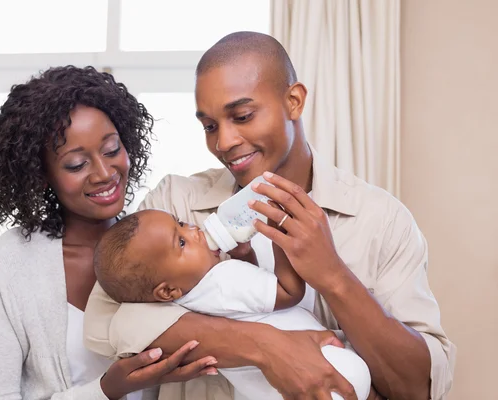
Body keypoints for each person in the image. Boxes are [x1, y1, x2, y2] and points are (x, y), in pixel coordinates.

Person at [84, 32, 456, 400]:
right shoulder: (175, 204)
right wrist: (266, 347)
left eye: (242, 116)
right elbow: (107, 327)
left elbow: (417, 387)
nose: (223, 142)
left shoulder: (380, 221)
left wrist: (334, 277)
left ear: (293, 101)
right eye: (210, 126)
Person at [0, 65, 219, 400]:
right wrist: (106, 390)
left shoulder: (162, 247)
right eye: (76, 164)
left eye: (112, 149)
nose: (104, 173)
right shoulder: (10, 266)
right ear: (41, 174)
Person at [94, 208, 373, 400]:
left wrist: (245, 256)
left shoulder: (182, 308)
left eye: (180, 222)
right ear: (167, 290)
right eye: (181, 242)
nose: (193, 230)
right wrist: (280, 237)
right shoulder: (221, 277)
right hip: (333, 376)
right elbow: (288, 293)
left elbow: (246, 306)